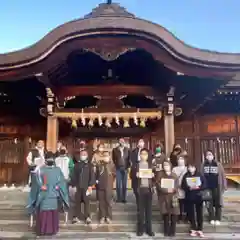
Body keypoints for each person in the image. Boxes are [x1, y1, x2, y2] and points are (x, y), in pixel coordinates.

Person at [27, 151, 69, 237]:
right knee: (47, 211)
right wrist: (41, 186)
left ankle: (46, 230)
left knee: (49, 212)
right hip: (46, 195)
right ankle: (48, 230)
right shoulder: (41, 170)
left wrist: (58, 186)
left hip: (51, 194)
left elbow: (61, 182)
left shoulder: (56, 170)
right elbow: (36, 182)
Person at [201, 150, 227, 226]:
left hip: (217, 186)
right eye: (207, 155)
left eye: (210, 154)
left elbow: (223, 175)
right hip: (206, 187)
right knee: (209, 203)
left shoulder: (218, 164)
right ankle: (211, 218)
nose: (209, 156)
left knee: (218, 203)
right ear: (205, 156)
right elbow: (201, 176)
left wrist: (224, 186)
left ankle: (218, 218)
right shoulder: (203, 165)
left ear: (213, 155)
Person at [70, 149, 95, 224]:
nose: (83, 156)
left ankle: (87, 217)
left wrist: (90, 186)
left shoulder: (90, 165)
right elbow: (73, 176)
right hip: (78, 186)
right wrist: (73, 185)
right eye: (82, 154)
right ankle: (76, 217)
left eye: (84, 154)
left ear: (87, 156)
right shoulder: (77, 165)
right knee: (77, 202)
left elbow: (92, 176)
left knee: (86, 202)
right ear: (80, 156)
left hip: (86, 186)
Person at [155, 160, 179, 237]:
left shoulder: (174, 175)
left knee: (174, 214)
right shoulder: (160, 175)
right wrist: (165, 189)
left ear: (170, 166)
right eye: (164, 165)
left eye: (167, 165)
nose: (166, 167)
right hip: (164, 196)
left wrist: (173, 189)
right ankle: (166, 231)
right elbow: (158, 184)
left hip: (173, 196)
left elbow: (177, 185)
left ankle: (173, 231)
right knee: (165, 214)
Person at [135, 148, 155, 237]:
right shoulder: (136, 165)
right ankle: (140, 230)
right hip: (140, 189)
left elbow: (155, 177)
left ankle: (149, 229)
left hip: (149, 189)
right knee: (141, 211)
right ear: (140, 155)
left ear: (148, 155)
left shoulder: (150, 165)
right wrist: (136, 175)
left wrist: (153, 176)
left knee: (149, 211)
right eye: (142, 154)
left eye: (145, 154)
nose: (144, 155)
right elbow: (132, 176)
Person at [96, 151, 114, 224]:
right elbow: (96, 175)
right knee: (101, 202)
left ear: (109, 156)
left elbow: (114, 175)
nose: (105, 157)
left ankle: (108, 217)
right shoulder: (99, 165)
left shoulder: (112, 165)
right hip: (100, 186)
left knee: (108, 202)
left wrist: (110, 182)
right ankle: (102, 217)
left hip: (109, 186)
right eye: (104, 155)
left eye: (107, 155)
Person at [130, 139, 149, 205]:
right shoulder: (134, 151)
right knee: (135, 189)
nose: (140, 143)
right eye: (139, 142)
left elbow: (149, 161)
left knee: (143, 189)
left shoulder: (147, 151)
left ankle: (142, 203)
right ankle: (138, 203)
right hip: (135, 170)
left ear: (144, 143)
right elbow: (131, 160)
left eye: (142, 142)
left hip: (144, 171)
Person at [112, 138, 130, 203]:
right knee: (118, 184)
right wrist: (116, 165)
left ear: (124, 142)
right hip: (118, 168)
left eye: (122, 141)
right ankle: (119, 198)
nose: (121, 142)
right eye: (120, 141)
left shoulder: (127, 149)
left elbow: (129, 159)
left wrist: (128, 167)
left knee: (124, 184)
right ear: (118, 142)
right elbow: (113, 159)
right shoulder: (114, 150)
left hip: (125, 168)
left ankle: (124, 198)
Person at [172, 155, 187, 222]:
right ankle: (178, 217)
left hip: (185, 188)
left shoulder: (187, 168)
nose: (180, 160)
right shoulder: (174, 169)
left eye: (182, 159)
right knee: (178, 203)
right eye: (179, 159)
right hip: (177, 188)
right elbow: (172, 178)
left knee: (185, 202)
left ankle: (186, 217)